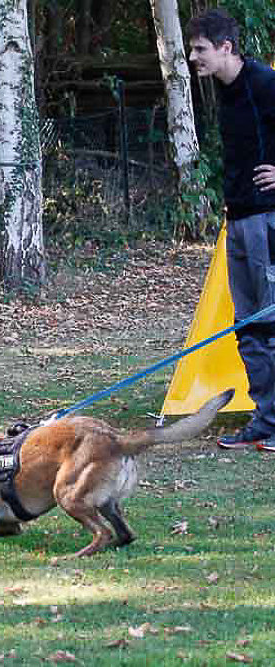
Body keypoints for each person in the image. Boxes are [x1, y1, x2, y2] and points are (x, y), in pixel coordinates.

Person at [187, 9, 275, 450]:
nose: (192, 57)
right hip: (238, 220)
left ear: (226, 47)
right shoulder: (225, 92)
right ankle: (267, 419)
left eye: (201, 49)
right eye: (192, 48)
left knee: (270, 320)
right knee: (248, 327)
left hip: (268, 219)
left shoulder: (264, 83)